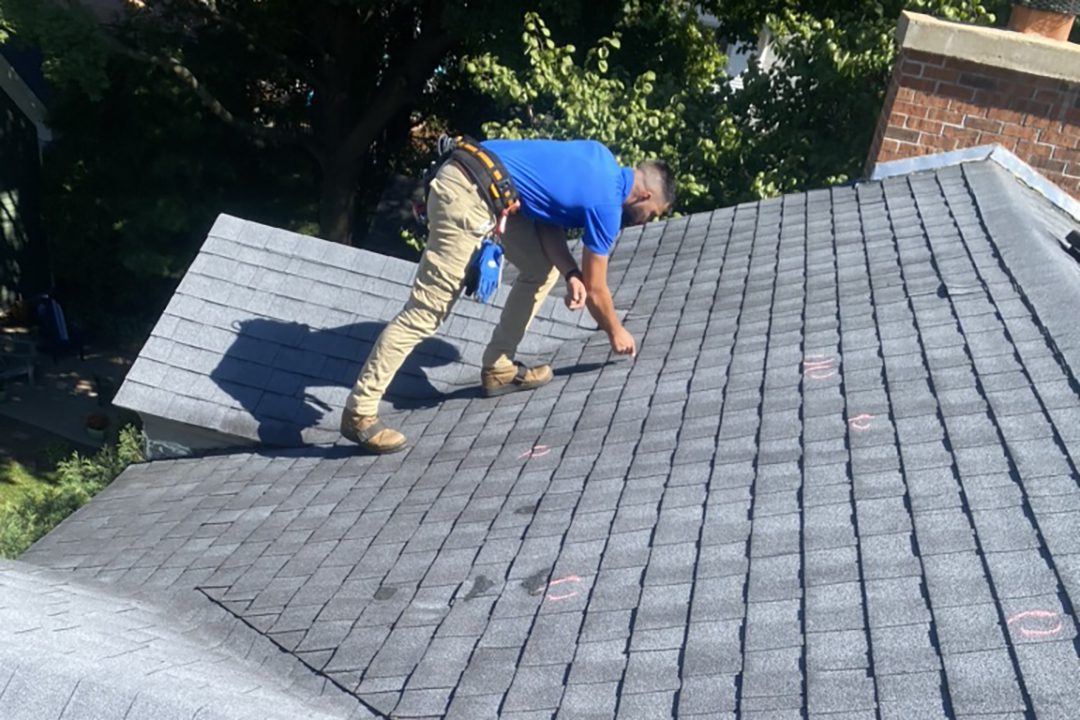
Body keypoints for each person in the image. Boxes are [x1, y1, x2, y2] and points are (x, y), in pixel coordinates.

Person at [340, 138, 675, 453]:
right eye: (653, 214)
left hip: (486, 182)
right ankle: (360, 413)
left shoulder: (599, 158)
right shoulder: (607, 206)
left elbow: (546, 220)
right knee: (426, 312)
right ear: (644, 197)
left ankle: (499, 366)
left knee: (540, 269)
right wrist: (616, 331)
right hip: (469, 193)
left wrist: (570, 273)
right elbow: (597, 289)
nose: (647, 222)